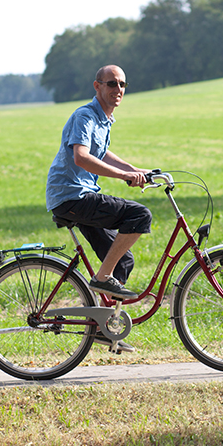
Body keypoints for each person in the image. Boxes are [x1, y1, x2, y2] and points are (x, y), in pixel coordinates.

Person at [46, 64, 152, 299]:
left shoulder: (104, 120)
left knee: (122, 260)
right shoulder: (85, 116)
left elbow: (101, 153)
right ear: (97, 86)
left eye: (122, 84)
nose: (118, 88)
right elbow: (82, 157)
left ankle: (105, 326)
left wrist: (136, 170)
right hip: (73, 196)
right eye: (112, 83)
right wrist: (124, 175)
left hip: (78, 198)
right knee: (139, 215)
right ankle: (102, 279)